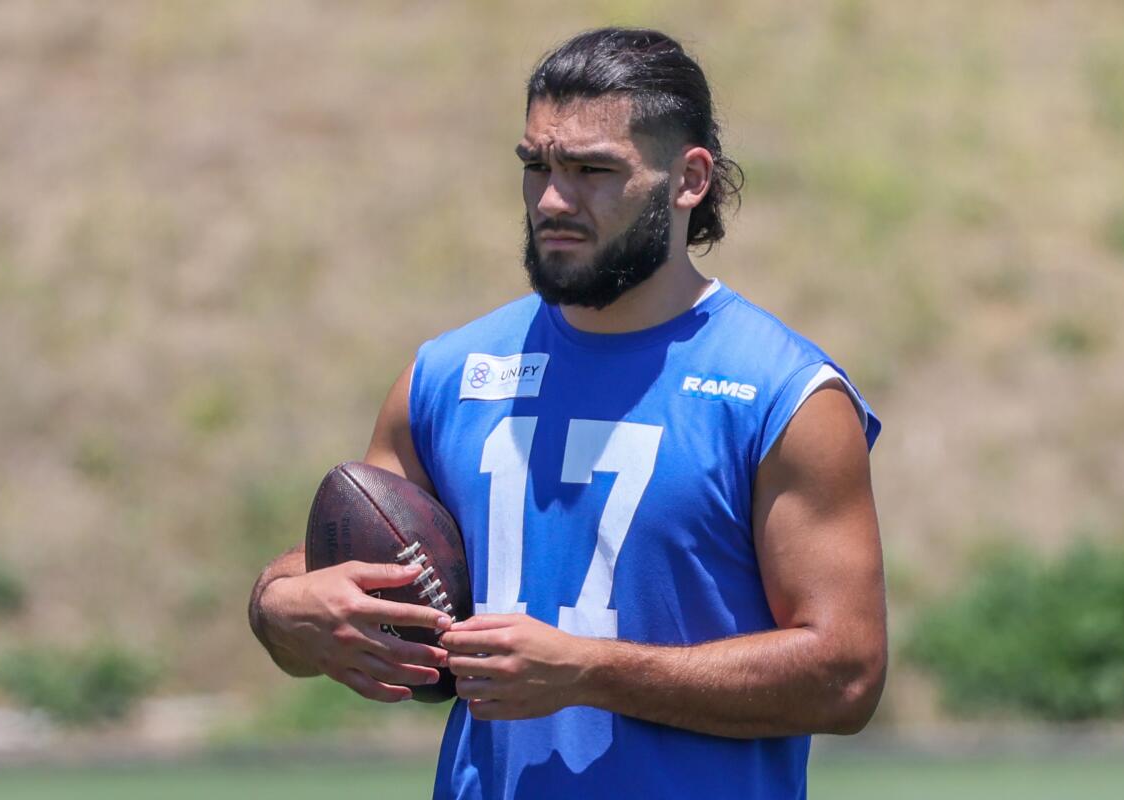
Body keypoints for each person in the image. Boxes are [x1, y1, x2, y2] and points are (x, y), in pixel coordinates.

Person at [249, 27, 886, 800]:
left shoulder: (782, 394)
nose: (552, 199)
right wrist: (284, 607)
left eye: (592, 171)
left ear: (688, 180)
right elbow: (338, 573)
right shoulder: (449, 376)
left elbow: (846, 676)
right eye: (536, 167)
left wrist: (592, 671)